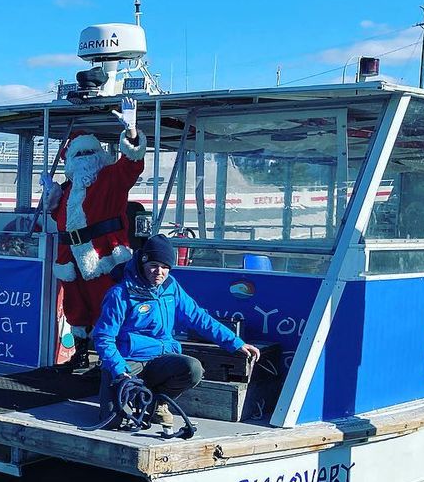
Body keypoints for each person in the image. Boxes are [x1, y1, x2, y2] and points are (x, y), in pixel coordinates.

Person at [92, 235, 261, 430]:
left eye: (165, 267)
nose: (159, 272)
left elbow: (199, 318)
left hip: (160, 357)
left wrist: (236, 343)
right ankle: (125, 393)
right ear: (143, 261)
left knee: (193, 369)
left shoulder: (171, 287)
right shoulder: (119, 294)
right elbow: (103, 338)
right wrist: (119, 370)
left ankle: (158, 403)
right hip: (127, 361)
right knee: (112, 422)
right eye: (154, 265)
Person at [40, 98, 146, 364]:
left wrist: (131, 132)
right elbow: (62, 219)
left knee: (105, 306)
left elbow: (132, 164)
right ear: (71, 161)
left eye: (90, 153)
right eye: (79, 155)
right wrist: (51, 198)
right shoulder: (68, 189)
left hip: (103, 257)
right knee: (75, 308)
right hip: (70, 258)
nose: (86, 160)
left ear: (99, 155)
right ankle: (81, 354)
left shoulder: (111, 179)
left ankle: (109, 358)